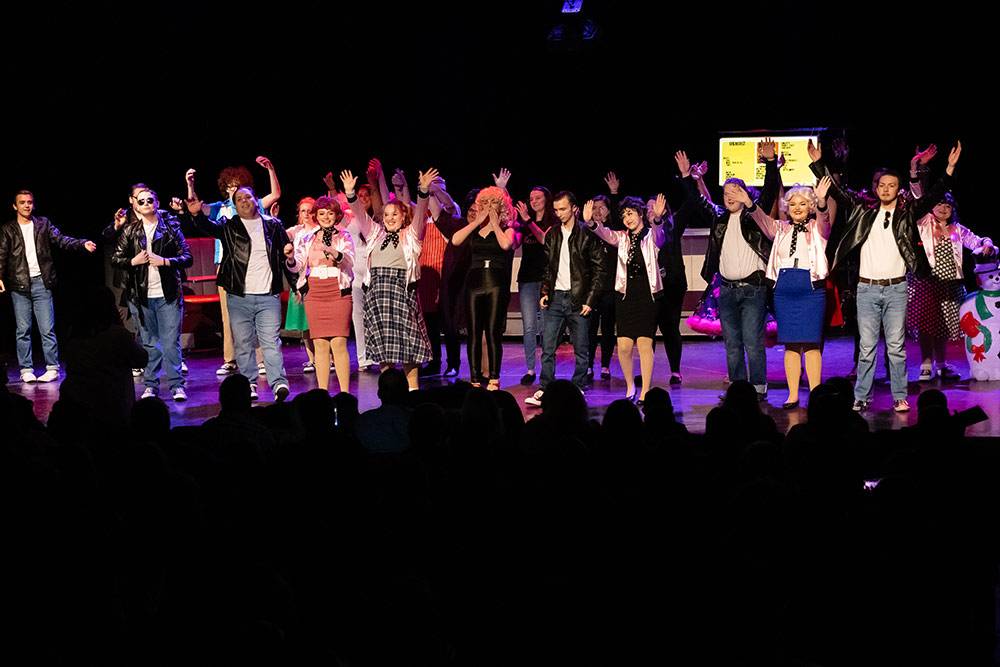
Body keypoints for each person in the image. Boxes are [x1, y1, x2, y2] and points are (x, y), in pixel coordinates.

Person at [809, 139, 962, 412]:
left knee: (896, 347)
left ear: (897, 189)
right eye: (882, 185)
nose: (887, 189)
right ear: (876, 188)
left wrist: (949, 169)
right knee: (867, 348)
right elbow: (838, 192)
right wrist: (819, 164)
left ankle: (899, 396)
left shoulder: (907, 214)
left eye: (892, 185)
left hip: (896, 289)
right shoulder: (862, 211)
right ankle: (861, 396)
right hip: (867, 289)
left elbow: (932, 196)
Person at [677, 146, 779, 401]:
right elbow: (697, 201)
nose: (730, 196)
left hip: (753, 290)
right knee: (732, 345)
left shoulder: (754, 217)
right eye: (726, 192)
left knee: (753, 343)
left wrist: (770, 162)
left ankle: (758, 389)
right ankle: (737, 388)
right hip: (727, 290)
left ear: (745, 194)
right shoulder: (719, 217)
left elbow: (769, 192)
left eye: (736, 192)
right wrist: (688, 177)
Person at [183, 186, 291, 402]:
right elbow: (208, 227)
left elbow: (286, 254)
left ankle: (279, 383)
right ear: (234, 204)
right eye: (239, 199)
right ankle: (249, 382)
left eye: (247, 197)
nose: (243, 201)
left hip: (268, 295)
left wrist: (296, 282)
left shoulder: (273, 225)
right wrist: (196, 215)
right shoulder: (229, 225)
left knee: (271, 341)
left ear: (256, 200)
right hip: (239, 295)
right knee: (243, 342)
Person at [342, 167, 437, 391]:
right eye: (386, 215)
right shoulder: (375, 233)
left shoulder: (411, 235)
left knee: (408, 344)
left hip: (401, 293)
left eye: (395, 214)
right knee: (384, 345)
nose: (390, 218)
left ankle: (412, 390)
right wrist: (350, 194)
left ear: (403, 217)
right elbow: (360, 214)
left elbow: (421, 213)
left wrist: (423, 191)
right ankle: (389, 391)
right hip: (378, 294)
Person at [749, 176, 834, 408]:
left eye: (803, 203)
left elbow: (825, 220)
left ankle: (816, 394)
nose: (797, 208)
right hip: (784, 291)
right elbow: (761, 218)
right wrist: (748, 202)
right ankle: (793, 394)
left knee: (812, 344)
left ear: (810, 206)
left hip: (811, 290)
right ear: (787, 207)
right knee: (790, 344)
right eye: (793, 204)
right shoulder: (780, 228)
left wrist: (823, 201)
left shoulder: (818, 228)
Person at [0, 190, 97, 383]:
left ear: (33, 204)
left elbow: (61, 239)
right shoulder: (8, 229)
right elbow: (2, 253)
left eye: (29, 202)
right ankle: (26, 369)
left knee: (47, 328)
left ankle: (52, 368)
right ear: (15, 206)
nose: (26, 205)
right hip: (19, 284)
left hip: (41, 283)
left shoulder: (42, 224)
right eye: (22, 202)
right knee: (23, 329)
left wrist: (81, 244)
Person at [583, 194, 668, 404]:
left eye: (630, 214)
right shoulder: (622, 237)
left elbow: (660, 234)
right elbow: (605, 233)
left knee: (645, 344)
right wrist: (591, 223)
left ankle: (645, 390)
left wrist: (657, 218)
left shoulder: (651, 236)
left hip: (647, 297)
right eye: (623, 216)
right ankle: (630, 385)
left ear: (640, 214)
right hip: (625, 296)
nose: (627, 218)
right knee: (623, 346)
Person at [524, 191, 606, 406]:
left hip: (578, 299)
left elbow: (599, 270)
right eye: (556, 210)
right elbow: (548, 268)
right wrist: (545, 292)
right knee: (548, 348)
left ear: (574, 209)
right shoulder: (552, 234)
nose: (559, 213)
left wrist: (590, 300)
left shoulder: (587, 233)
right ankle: (545, 388)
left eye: (563, 209)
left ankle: (578, 387)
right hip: (556, 298)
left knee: (581, 349)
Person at [111, 185, 193, 401]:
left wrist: (165, 261)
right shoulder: (130, 231)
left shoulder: (170, 229)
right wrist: (133, 261)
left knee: (171, 342)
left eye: (150, 200)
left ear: (157, 204)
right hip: (142, 296)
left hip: (168, 294)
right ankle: (151, 385)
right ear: (136, 206)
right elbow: (116, 259)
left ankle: (176, 386)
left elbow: (187, 257)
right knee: (149, 343)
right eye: (141, 201)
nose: (146, 203)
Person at [908, 192, 994, 380]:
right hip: (927, 283)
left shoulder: (957, 229)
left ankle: (941, 364)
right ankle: (926, 364)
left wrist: (987, 242)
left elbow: (976, 240)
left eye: (948, 206)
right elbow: (917, 198)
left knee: (944, 326)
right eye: (939, 204)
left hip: (950, 285)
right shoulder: (924, 224)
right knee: (926, 325)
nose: (943, 209)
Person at [285, 195, 355, 393]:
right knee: (320, 344)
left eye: (330, 213)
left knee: (339, 342)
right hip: (315, 292)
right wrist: (290, 259)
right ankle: (322, 393)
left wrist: (332, 251)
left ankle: (344, 395)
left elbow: (350, 260)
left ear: (337, 215)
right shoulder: (307, 237)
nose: (326, 217)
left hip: (338, 291)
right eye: (322, 213)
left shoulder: (344, 236)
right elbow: (297, 265)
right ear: (316, 215)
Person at [450, 186, 518, 388]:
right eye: (485, 202)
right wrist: (476, 222)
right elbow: (455, 240)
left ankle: (494, 377)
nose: (489, 206)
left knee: (492, 331)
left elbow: (506, 245)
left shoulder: (507, 229)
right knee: (473, 332)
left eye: (493, 202)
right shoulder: (474, 229)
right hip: (474, 282)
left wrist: (495, 224)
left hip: (495, 282)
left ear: (501, 206)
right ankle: (474, 378)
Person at [513, 186, 556, 385]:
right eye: (531, 198)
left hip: (546, 279)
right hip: (527, 279)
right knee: (529, 326)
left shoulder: (552, 221)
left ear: (546, 199)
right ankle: (530, 369)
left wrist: (528, 220)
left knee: (546, 327)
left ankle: (547, 369)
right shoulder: (524, 223)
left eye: (538, 198)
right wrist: (514, 224)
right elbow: (514, 244)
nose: (534, 201)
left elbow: (545, 240)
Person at [284, 197, 318, 373]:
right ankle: (312, 359)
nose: (306, 214)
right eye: (303, 210)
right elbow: (278, 234)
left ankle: (328, 358)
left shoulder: (320, 231)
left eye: (310, 211)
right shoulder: (296, 231)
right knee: (304, 323)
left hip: (316, 280)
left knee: (317, 323)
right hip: (299, 280)